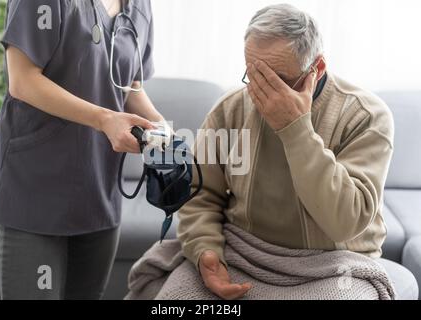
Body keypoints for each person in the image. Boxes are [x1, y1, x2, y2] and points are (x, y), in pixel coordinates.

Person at [177, 4, 417, 300]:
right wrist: (206, 249)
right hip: (244, 251)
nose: (259, 92)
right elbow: (201, 195)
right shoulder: (230, 109)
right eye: (253, 75)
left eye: (276, 79)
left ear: (316, 69)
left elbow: (344, 222)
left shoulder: (366, 116)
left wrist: (295, 129)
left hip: (335, 263)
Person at [0, 0, 163, 300]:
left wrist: (163, 131)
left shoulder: (140, 5)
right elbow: (22, 81)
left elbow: (131, 86)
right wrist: (104, 119)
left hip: (99, 188)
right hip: (35, 188)